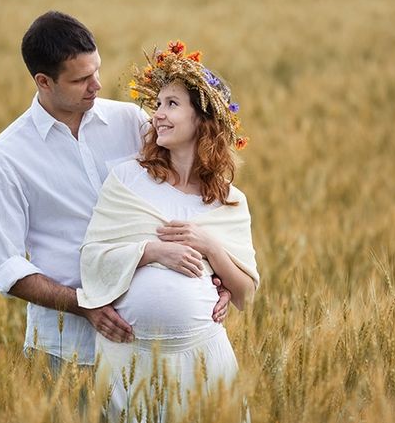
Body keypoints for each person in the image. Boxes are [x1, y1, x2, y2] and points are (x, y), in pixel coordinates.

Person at [0, 12, 231, 373]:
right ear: (43, 82)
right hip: (67, 350)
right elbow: (7, 268)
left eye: (96, 70)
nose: (96, 85)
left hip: (148, 350)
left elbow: (190, 191)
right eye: (81, 79)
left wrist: (218, 275)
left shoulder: (131, 121)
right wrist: (85, 304)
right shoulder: (7, 157)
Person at [77, 41, 260, 420]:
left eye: (172, 104)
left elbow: (247, 295)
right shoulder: (127, 179)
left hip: (205, 363)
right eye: (157, 104)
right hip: (131, 362)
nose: (157, 115)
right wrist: (153, 252)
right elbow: (92, 260)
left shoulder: (229, 201)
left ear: (202, 119)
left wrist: (211, 248)